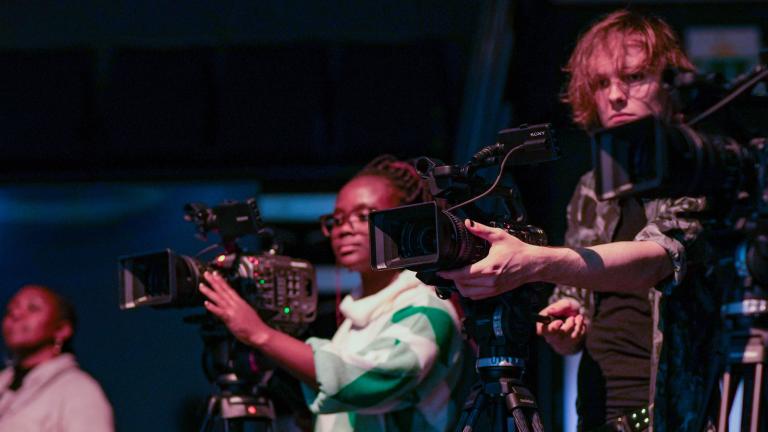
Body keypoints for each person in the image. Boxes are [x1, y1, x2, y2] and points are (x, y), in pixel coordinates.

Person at [438, 10, 721, 432]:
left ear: (671, 84)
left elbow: (657, 260)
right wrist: (568, 323)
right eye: (602, 83)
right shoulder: (592, 186)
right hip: (596, 413)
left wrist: (536, 261)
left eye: (634, 77)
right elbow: (577, 297)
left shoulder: (699, 171)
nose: (616, 96)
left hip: (675, 417)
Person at [199, 155, 465, 432]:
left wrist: (260, 334)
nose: (344, 229)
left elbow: (363, 381)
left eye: (363, 215)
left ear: (405, 220)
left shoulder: (428, 308)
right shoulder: (358, 315)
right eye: (337, 220)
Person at [0, 284, 114, 432]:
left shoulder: (77, 390)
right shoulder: (4, 382)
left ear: (61, 329)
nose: (16, 314)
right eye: (10, 310)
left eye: (32, 308)